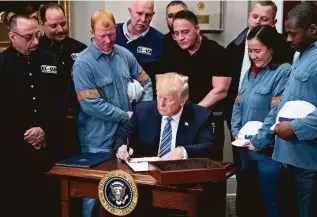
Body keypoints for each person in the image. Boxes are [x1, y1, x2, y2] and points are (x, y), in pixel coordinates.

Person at [72, 10, 153, 217]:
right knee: (93, 194)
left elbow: (146, 81)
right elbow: (90, 104)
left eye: (111, 35)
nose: (108, 41)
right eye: (102, 36)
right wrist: (126, 116)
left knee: (124, 192)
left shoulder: (124, 55)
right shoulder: (83, 63)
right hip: (97, 141)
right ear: (92, 32)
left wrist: (142, 111)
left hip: (126, 137)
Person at [0, 14, 65, 217]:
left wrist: (44, 129)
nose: (35, 41)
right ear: (12, 37)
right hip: (13, 153)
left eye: (36, 35)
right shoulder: (2, 64)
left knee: (51, 204)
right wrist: (26, 134)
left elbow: (63, 99)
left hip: (50, 146)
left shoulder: (51, 60)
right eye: (28, 37)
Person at [273, 3, 317, 217]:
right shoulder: (303, 53)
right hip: (291, 158)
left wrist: (296, 128)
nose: (288, 39)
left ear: (313, 29)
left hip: (312, 162)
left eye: (292, 33)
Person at [231, 25, 291, 217]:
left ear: (271, 48)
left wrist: (258, 141)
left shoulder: (283, 72)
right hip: (246, 151)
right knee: (249, 204)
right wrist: (236, 131)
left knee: (272, 204)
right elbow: (237, 104)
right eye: (250, 51)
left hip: (268, 153)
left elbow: (277, 112)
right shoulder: (250, 73)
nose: (253, 56)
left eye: (258, 51)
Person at [159, 10, 230, 161]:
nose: (180, 38)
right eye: (176, 33)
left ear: (197, 29)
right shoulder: (171, 53)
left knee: (211, 169)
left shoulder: (216, 52)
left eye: (185, 32)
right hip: (178, 119)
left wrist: (194, 113)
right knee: (180, 166)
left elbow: (220, 90)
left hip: (208, 119)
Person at [115, 72, 213, 161]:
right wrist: (122, 147)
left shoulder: (200, 115)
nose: (161, 104)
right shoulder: (143, 111)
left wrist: (182, 151)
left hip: (182, 172)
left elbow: (207, 146)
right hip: (147, 172)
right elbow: (122, 134)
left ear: (183, 100)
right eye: (159, 96)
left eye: (168, 99)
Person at [39, 3, 87, 159]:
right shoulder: (35, 51)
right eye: (54, 25)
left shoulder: (81, 49)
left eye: (63, 24)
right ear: (42, 24)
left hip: (80, 125)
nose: (60, 29)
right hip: (49, 128)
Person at [116, 0, 163, 89]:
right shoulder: (112, 34)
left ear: (153, 15)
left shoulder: (160, 40)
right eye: (139, 13)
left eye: (148, 15)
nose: (143, 19)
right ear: (130, 11)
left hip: (146, 98)